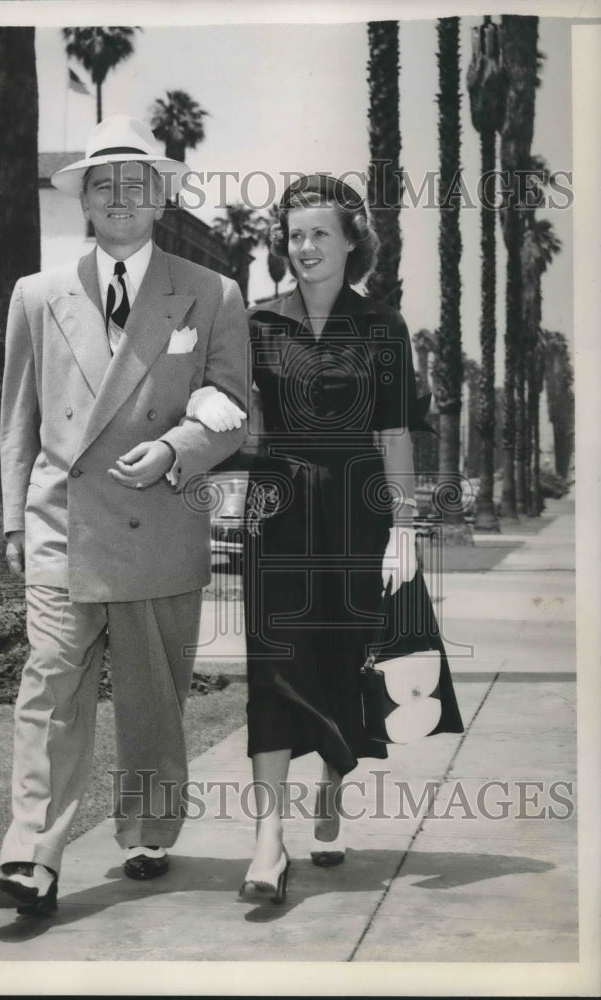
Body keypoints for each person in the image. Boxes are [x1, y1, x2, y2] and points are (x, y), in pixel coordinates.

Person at [0, 115, 249, 916]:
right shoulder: (37, 295)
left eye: (138, 184)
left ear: (161, 198)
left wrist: (175, 449)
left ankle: (146, 832)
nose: (122, 197)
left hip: (159, 523)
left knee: (150, 697)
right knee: (48, 692)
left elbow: (237, 407)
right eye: (106, 184)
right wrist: (10, 522)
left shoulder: (212, 293)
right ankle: (30, 857)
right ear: (85, 203)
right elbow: (16, 420)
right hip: (62, 524)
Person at [240, 174, 463, 903]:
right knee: (272, 664)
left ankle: (332, 785)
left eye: (319, 234)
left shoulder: (382, 328)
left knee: (344, 655)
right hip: (278, 510)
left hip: (357, 513)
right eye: (294, 234)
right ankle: (267, 841)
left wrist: (403, 526)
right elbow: (241, 421)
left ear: (348, 242)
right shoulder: (255, 322)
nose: (304, 247)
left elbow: (395, 430)